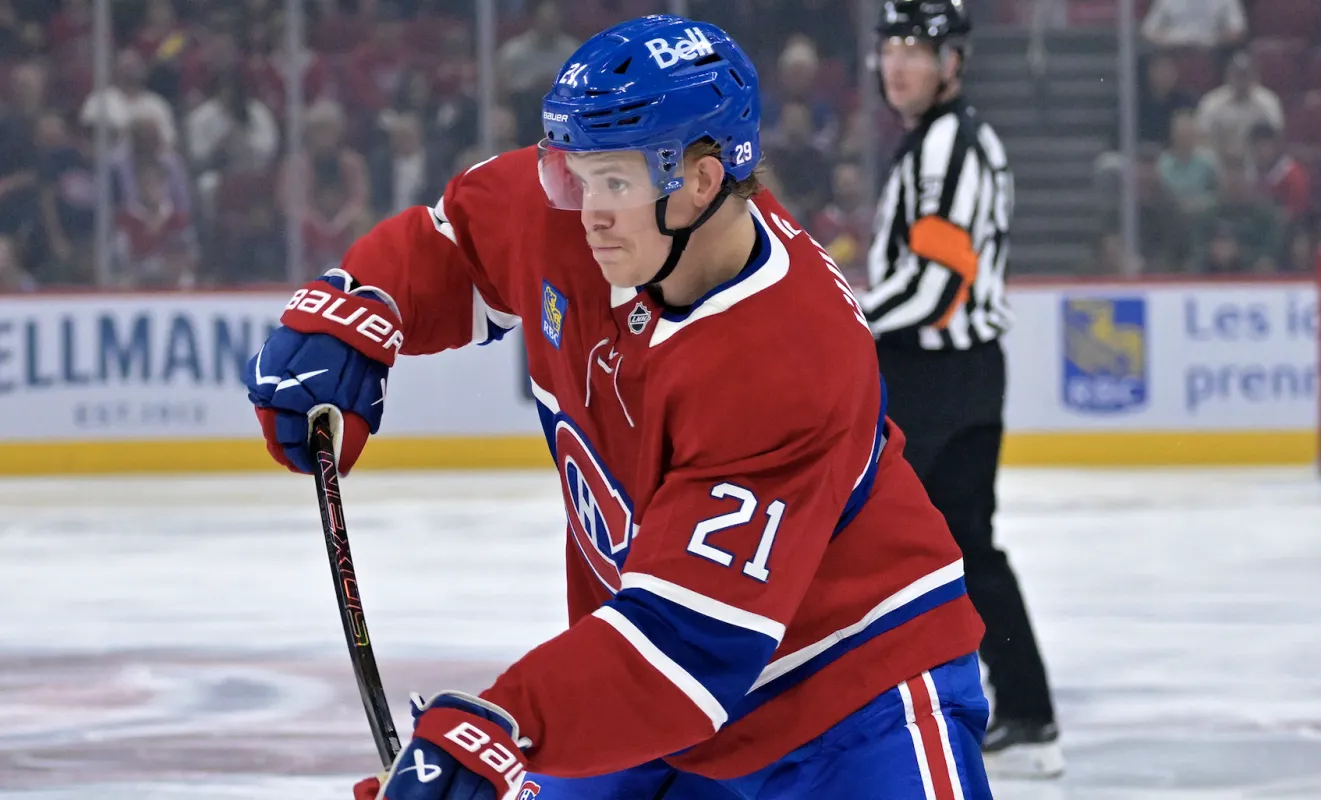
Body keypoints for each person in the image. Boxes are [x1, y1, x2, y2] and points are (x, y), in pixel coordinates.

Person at [245, 15, 990, 800]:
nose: (582, 207)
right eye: (572, 172)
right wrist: (358, 312)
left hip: (845, 697)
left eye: (613, 182)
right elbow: (458, 245)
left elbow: (688, 647)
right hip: (640, 691)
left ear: (700, 182)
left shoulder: (789, 357)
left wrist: (500, 728)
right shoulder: (579, 211)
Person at [861, 0, 1064, 779]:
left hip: (939, 376)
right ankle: (1018, 707)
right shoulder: (936, 143)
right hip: (949, 374)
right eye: (889, 48)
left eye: (915, 49)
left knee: (914, 543)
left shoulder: (949, 147)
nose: (897, 64)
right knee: (957, 545)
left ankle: (1008, 707)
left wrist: (850, 321)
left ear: (954, 63)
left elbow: (939, 286)